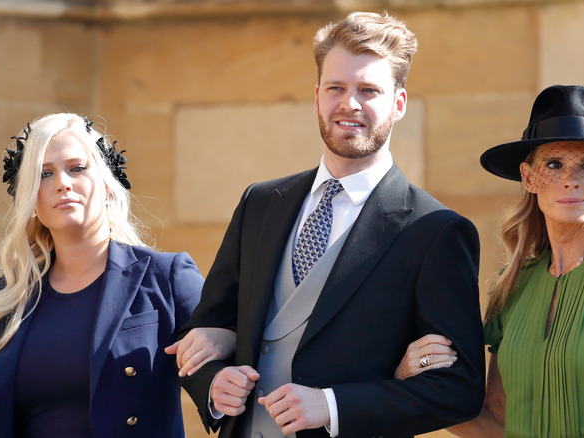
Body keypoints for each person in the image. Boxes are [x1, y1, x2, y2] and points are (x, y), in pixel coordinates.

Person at [172, 11, 485, 438]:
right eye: (336, 88)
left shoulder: (434, 231)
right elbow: (206, 332)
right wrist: (211, 384)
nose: (349, 104)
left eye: (368, 90)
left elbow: (459, 391)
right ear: (317, 95)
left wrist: (333, 406)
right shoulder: (260, 203)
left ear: (399, 104)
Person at [397, 85, 584, 437]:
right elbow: (496, 423)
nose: (571, 181)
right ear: (529, 178)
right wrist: (413, 383)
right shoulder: (512, 285)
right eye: (554, 165)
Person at [0, 113, 234, 438]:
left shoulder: (165, 276)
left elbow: (231, 348)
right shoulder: (1, 296)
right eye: (44, 173)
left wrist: (228, 338)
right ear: (31, 198)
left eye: (77, 168)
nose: (63, 182)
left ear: (106, 183)